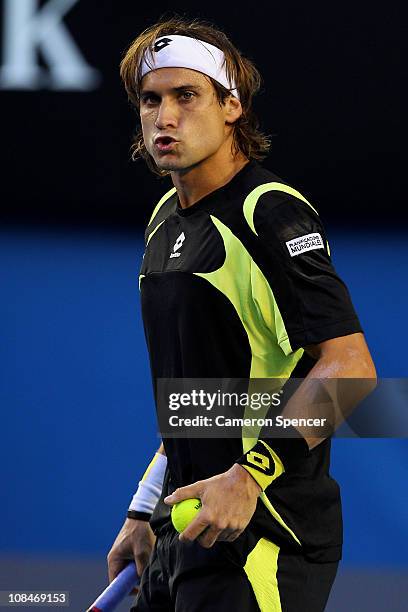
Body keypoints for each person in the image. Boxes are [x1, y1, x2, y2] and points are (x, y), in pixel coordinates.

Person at [107, 16, 377, 611]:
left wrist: (249, 475)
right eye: (151, 100)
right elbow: (198, 398)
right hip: (187, 526)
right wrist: (144, 509)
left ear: (232, 106)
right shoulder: (164, 221)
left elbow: (352, 369)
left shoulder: (269, 211)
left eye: (187, 96)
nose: (165, 117)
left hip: (264, 537)